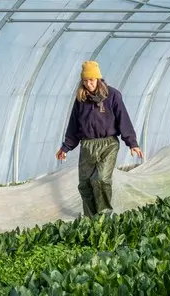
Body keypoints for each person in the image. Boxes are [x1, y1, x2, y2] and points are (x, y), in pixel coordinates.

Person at [56, 60, 142, 218]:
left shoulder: (112, 95)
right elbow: (74, 125)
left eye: (91, 80)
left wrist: (132, 143)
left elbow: (123, 119)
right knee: (85, 184)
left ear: (98, 79)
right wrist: (65, 147)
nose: (88, 84)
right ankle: (90, 218)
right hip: (87, 145)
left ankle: (104, 217)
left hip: (108, 144)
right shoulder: (81, 99)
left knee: (101, 179)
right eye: (85, 81)